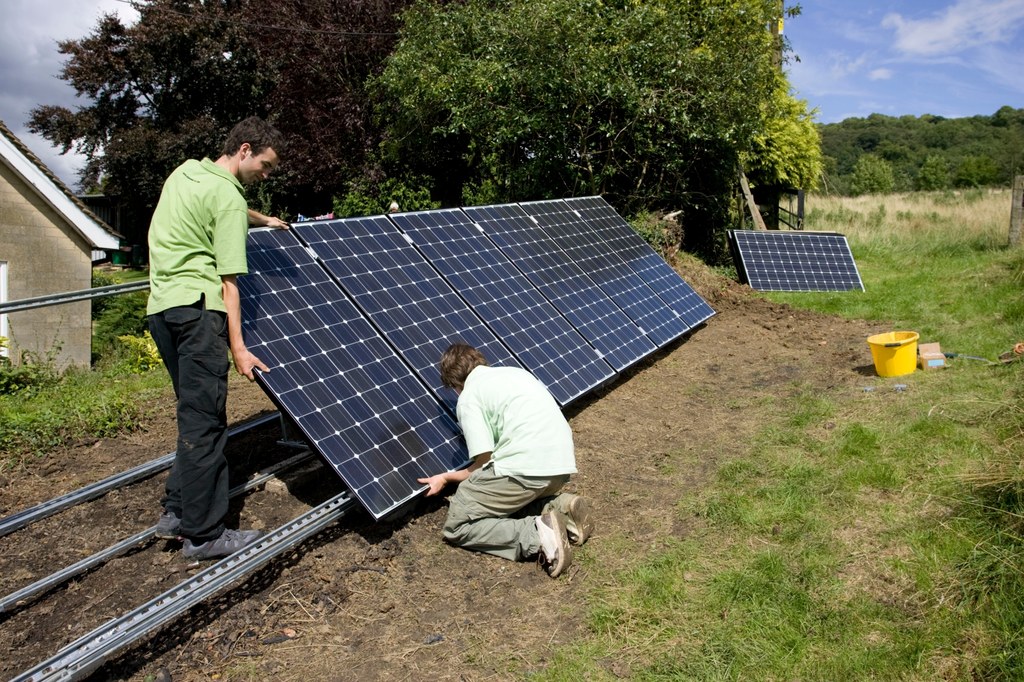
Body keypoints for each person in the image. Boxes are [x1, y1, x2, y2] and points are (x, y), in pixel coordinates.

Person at [147, 116, 287, 560]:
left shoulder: (187, 171)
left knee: (193, 413)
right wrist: (240, 348)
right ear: (245, 149)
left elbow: (220, 204)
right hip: (199, 314)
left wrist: (262, 218)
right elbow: (229, 284)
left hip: (162, 310)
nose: (265, 176)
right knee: (207, 423)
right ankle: (205, 534)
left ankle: (176, 510)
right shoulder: (228, 197)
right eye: (264, 166)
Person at [418, 343, 594, 578]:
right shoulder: (516, 372)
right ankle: (563, 509)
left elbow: (482, 462)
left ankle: (538, 535)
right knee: (508, 505)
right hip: (559, 468)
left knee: (459, 524)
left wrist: (448, 477)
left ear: (454, 385)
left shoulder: (470, 396)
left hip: (524, 468)